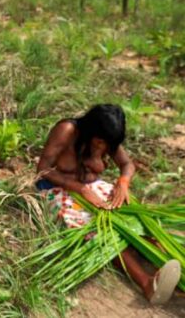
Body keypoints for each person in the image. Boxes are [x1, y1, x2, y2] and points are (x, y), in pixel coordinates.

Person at [36, 104, 181, 305]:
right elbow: (42, 169)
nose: (103, 148)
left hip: (92, 187)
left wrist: (123, 182)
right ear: (90, 130)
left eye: (107, 144)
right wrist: (80, 189)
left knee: (134, 220)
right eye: (99, 142)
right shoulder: (67, 131)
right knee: (101, 230)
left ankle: (173, 266)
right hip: (59, 190)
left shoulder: (107, 137)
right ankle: (147, 284)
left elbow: (127, 164)